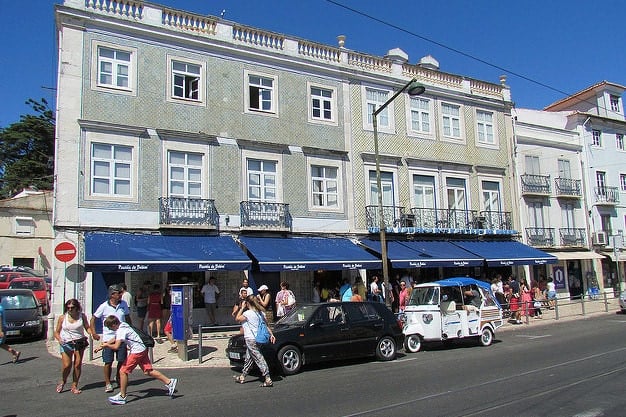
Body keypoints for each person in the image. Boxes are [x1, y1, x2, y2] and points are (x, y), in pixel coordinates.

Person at [95, 315, 178, 405]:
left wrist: (107, 345)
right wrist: (102, 346)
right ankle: (169, 381)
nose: (111, 330)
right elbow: (115, 338)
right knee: (148, 371)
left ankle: (122, 396)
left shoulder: (121, 330)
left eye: (110, 328)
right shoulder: (124, 324)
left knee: (123, 371)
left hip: (137, 351)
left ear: (114, 324)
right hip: (142, 348)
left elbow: (116, 346)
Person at [91, 284, 131, 393]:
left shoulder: (123, 304)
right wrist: (93, 333)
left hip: (121, 337)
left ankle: (118, 376)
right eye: (119, 293)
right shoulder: (104, 306)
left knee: (122, 360)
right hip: (108, 339)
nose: (121, 295)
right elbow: (93, 319)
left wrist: (131, 331)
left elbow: (127, 317)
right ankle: (107, 382)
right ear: (112, 294)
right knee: (108, 361)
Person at [233, 295, 275, 388]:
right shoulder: (261, 313)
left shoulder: (248, 313)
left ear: (248, 303)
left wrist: (242, 308)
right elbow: (266, 326)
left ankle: (268, 378)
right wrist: (271, 334)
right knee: (249, 358)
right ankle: (242, 376)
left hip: (251, 339)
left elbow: (237, 318)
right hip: (259, 339)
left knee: (258, 358)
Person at [54, 298, 94, 394]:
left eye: (72, 307)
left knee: (77, 364)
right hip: (66, 342)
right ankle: (63, 381)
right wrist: (59, 339)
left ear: (77, 308)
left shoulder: (82, 316)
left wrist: (92, 334)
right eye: (68, 308)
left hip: (79, 342)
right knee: (67, 365)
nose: (70, 309)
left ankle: (74, 385)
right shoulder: (62, 318)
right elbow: (56, 332)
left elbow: (87, 327)